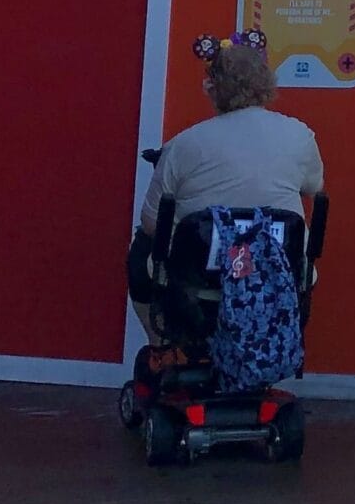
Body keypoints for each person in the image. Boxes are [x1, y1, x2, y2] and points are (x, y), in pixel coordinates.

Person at [129, 31, 326, 346]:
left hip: (200, 276)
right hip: (273, 273)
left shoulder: (184, 144)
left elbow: (153, 224)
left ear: (212, 87)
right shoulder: (299, 135)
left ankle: (162, 345)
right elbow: (315, 188)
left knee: (141, 253)